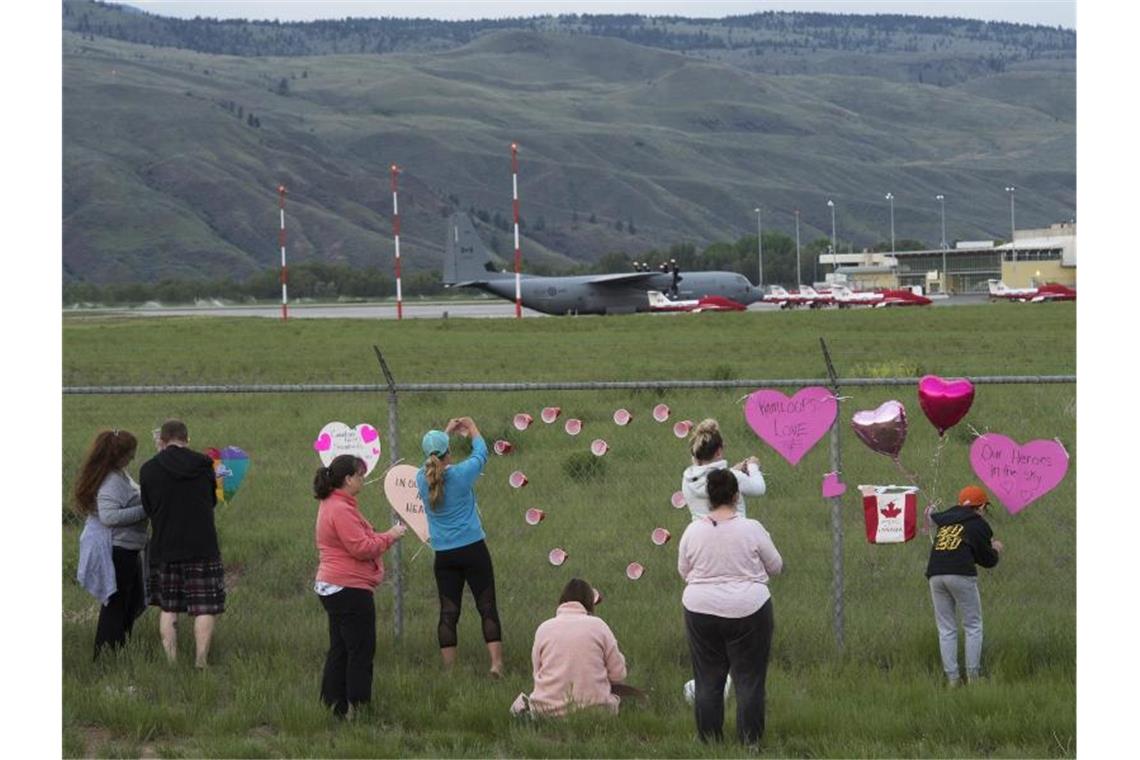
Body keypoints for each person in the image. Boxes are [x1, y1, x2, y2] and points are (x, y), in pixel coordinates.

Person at [678, 469, 782, 746]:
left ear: (709, 498)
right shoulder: (752, 528)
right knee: (749, 679)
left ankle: (709, 742)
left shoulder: (693, 531)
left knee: (708, 678)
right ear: (736, 496)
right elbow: (776, 566)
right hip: (750, 609)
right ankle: (750, 743)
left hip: (700, 610)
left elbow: (683, 570)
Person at [313, 454, 407, 717]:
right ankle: (358, 705)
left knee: (341, 647)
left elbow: (360, 538)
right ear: (348, 479)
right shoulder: (341, 509)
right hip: (349, 588)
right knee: (361, 649)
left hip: (333, 586)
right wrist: (391, 536)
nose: (363, 480)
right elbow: (362, 548)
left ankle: (334, 703)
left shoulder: (333, 503)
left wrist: (383, 535)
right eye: (360, 475)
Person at [415, 416, 503, 677]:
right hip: (473, 549)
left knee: (448, 611)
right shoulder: (462, 475)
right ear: (448, 454)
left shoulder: (422, 480)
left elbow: (432, 462)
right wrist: (473, 427)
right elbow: (481, 453)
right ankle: (496, 664)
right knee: (486, 606)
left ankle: (450, 670)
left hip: (444, 556)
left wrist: (443, 434)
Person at [140, 419, 224, 668]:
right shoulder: (204, 464)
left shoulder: (148, 469)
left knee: (169, 606)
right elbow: (211, 501)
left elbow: (148, 507)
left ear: (162, 441)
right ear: (187, 438)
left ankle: (171, 662)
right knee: (205, 606)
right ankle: (201, 660)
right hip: (202, 544)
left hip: (165, 545)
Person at [73, 429, 148, 659]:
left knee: (132, 600)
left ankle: (119, 648)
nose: (133, 457)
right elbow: (109, 517)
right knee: (116, 604)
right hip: (118, 549)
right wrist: (147, 508)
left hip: (129, 548)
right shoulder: (110, 482)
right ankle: (106, 654)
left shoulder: (120, 474)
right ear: (117, 456)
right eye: (130, 453)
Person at [511, 578, 628, 717]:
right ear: (589, 603)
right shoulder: (599, 626)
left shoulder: (544, 628)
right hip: (596, 712)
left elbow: (537, 673)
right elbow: (618, 674)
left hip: (547, 712)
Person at [926, 484, 1003, 687]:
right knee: (972, 625)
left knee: (946, 628)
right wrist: (994, 549)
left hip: (935, 574)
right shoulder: (978, 524)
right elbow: (988, 561)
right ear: (980, 507)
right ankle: (973, 678)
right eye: (985, 508)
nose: (984, 512)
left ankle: (952, 679)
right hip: (960, 574)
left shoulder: (946, 521)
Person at [682, 418, 766, 521]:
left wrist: (732, 470)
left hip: (701, 533)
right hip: (734, 533)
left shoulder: (688, 479)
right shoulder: (734, 477)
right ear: (718, 452)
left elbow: (708, 477)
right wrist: (753, 466)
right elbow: (759, 488)